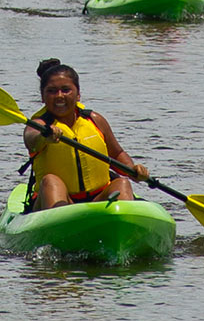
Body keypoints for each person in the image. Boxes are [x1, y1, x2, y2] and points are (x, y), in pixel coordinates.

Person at [22, 58, 148, 210]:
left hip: (97, 198)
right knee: (51, 181)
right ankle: (60, 225)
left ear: (78, 95)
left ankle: (122, 224)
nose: (59, 96)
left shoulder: (95, 120)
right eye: (52, 91)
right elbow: (31, 140)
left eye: (66, 90)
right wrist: (45, 136)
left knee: (122, 183)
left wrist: (133, 170)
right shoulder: (39, 125)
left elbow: (117, 153)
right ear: (42, 97)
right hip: (58, 202)